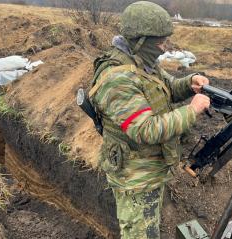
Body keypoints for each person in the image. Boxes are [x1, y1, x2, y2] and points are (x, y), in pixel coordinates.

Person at [88, 1, 210, 239]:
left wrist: (190, 83)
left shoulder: (142, 63)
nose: (165, 48)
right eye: (160, 42)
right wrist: (191, 111)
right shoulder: (118, 77)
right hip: (135, 177)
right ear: (141, 40)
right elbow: (144, 130)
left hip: (148, 169)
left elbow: (166, 89)